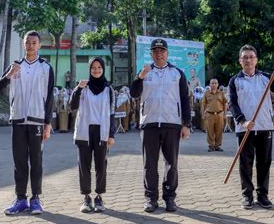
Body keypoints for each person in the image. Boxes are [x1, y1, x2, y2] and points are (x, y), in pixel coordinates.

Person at [0, 30, 54, 215]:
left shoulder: (45, 68)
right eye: (27, 42)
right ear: (23, 44)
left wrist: (48, 124)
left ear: (39, 45)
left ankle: (35, 199)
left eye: (34, 43)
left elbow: (49, 97)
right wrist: (8, 75)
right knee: (19, 162)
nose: (30, 46)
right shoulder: (15, 66)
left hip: (37, 121)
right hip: (18, 121)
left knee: (36, 161)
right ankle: (20, 199)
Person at [130, 38, 192, 213]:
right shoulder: (145, 72)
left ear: (167, 53)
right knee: (149, 164)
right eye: (155, 51)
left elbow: (185, 99)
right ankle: (150, 198)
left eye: (162, 51)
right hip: (149, 124)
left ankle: (170, 198)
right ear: (151, 54)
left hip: (172, 123)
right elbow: (134, 93)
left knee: (171, 163)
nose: (159, 54)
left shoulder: (177, 73)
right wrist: (140, 77)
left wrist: (186, 124)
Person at [228, 44, 274, 210]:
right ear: (240, 61)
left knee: (264, 163)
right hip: (245, 129)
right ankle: (247, 196)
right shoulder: (235, 80)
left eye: (251, 57)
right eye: (245, 57)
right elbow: (232, 104)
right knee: (245, 164)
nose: (248, 60)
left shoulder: (265, 77)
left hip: (264, 127)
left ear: (256, 60)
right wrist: (243, 121)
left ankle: (263, 196)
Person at [69, 57, 116, 213]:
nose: (96, 70)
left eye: (99, 67)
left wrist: (111, 135)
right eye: (93, 67)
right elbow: (72, 106)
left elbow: (112, 113)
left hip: (102, 132)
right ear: (89, 69)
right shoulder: (83, 87)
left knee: (101, 166)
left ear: (103, 69)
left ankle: (99, 197)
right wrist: (78, 89)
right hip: (84, 131)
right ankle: (86, 198)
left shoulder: (109, 89)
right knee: (84, 166)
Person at [202, 79, 228, 152]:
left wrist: (225, 114)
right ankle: (211, 146)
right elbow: (204, 104)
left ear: (218, 84)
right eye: (212, 83)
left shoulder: (221, 93)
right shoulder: (206, 93)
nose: (214, 84)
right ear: (210, 84)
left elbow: (225, 104)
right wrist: (203, 113)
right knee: (210, 131)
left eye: (215, 83)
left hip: (219, 114)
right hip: (209, 115)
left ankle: (217, 146)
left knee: (219, 131)